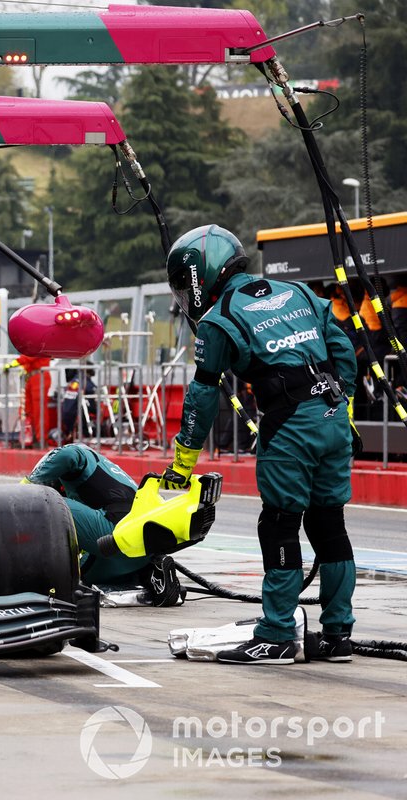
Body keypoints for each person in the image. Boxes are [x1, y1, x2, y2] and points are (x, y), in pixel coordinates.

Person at [163, 224, 358, 665]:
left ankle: (276, 635)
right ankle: (338, 635)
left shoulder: (218, 321)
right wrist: (340, 410)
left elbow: (202, 398)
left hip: (290, 427)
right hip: (332, 420)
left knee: (279, 526)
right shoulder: (301, 293)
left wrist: (181, 465)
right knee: (329, 525)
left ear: (199, 276)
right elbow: (343, 352)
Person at [23, 443, 183, 605]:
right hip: (138, 552)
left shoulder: (79, 454)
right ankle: (150, 575)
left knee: (40, 501)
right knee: (80, 574)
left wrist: (26, 488)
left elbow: (67, 454)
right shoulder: (107, 470)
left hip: (117, 532)